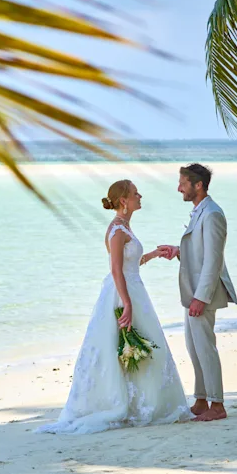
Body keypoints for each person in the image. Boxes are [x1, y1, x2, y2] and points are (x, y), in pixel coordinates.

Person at [36, 179, 191, 434]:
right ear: (123, 201)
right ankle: (126, 405)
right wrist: (127, 303)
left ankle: (144, 402)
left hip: (133, 290)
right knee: (123, 348)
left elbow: (130, 263)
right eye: (135, 194)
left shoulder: (125, 227)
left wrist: (152, 255)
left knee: (141, 348)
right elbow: (116, 269)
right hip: (123, 294)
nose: (140, 196)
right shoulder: (117, 230)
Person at [158, 164, 237, 422]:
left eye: (183, 183)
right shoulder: (199, 211)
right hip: (193, 292)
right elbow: (200, 252)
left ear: (198, 185)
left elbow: (213, 261)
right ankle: (201, 400)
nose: (179, 187)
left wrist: (201, 298)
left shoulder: (213, 214)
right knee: (194, 348)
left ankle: (218, 404)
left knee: (206, 349)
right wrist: (178, 250)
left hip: (204, 294)